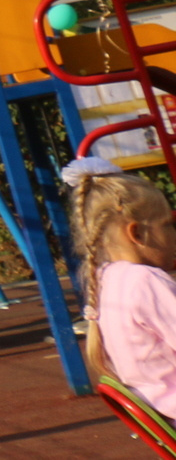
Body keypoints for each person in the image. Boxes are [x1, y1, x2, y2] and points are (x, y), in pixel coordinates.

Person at [68, 157, 176, 412]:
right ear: (137, 234)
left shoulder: (107, 279)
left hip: (160, 407)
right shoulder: (146, 281)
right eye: (168, 225)